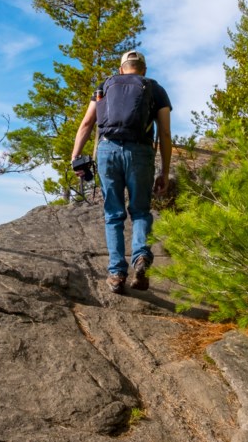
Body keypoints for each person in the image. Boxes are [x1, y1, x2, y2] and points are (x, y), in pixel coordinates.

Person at [71, 50, 172, 294]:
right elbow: (165, 133)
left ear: (121, 69)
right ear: (143, 69)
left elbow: (86, 123)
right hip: (140, 153)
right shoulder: (155, 89)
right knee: (139, 211)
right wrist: (164, 172)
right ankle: (140, 258)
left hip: (108, 151)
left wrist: (76, 157)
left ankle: (116, 273)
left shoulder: (104, 86)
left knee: (113, 214)